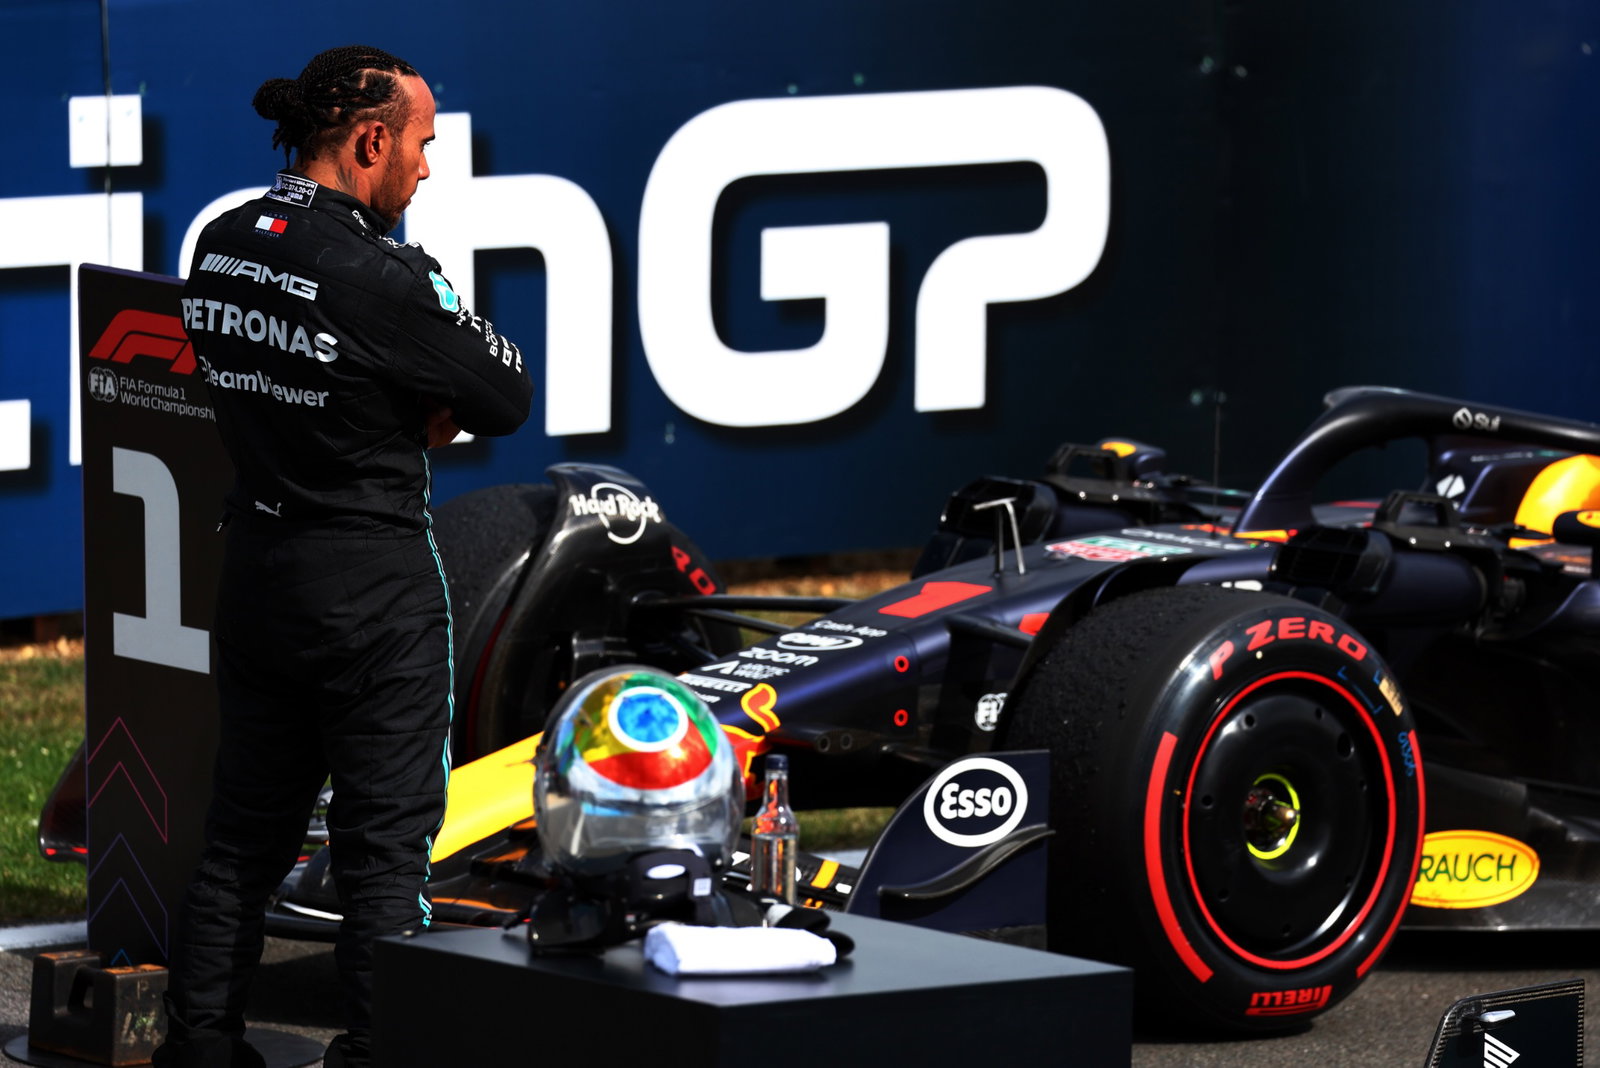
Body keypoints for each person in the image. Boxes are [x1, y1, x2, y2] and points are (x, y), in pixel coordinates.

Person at [154, 45, 532, 1068]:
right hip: (371, 589)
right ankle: (376, 1054)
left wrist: (379, 398)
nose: (425, 167)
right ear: (370, 140)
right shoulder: (384, 276)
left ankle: (198, 1046)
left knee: (244, 836)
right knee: (385, 854)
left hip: (260, 576)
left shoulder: (222, 239)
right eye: (419, 144)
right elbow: (505, 392)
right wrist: (408, 406)